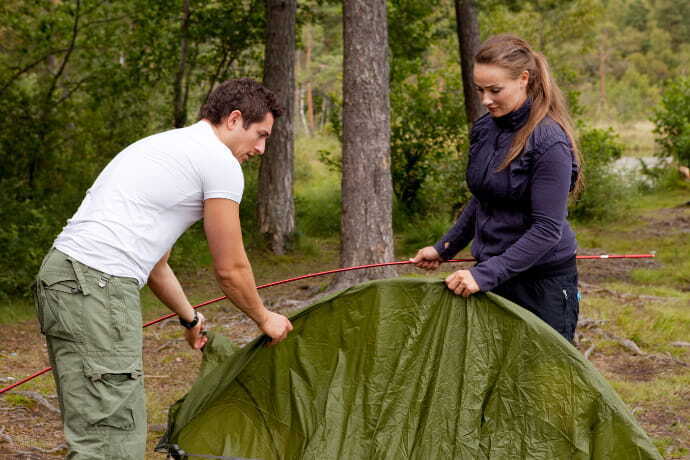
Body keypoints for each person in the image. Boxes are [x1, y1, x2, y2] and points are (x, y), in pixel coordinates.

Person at [33, 78, 294, 458]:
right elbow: (231, 268)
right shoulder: (220, 163)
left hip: (63, 279)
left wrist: (189, 319)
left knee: (95, 430)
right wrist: (263, 316)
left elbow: (156, 265)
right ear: (234, 119)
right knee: (112, 442)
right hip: (98, 286)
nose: (261, 148)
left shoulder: (167, 146)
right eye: (260, 134)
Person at [412, 35, 583, 342]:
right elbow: (483, 200)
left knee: (541, 380)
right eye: (480, 90)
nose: (486, 100)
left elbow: (547, 229)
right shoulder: (485, 129)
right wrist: (444, 248)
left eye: (495, 90)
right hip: (494, 276)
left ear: (523, 79)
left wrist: (483, 275)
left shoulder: (549, 142)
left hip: (541, 285)